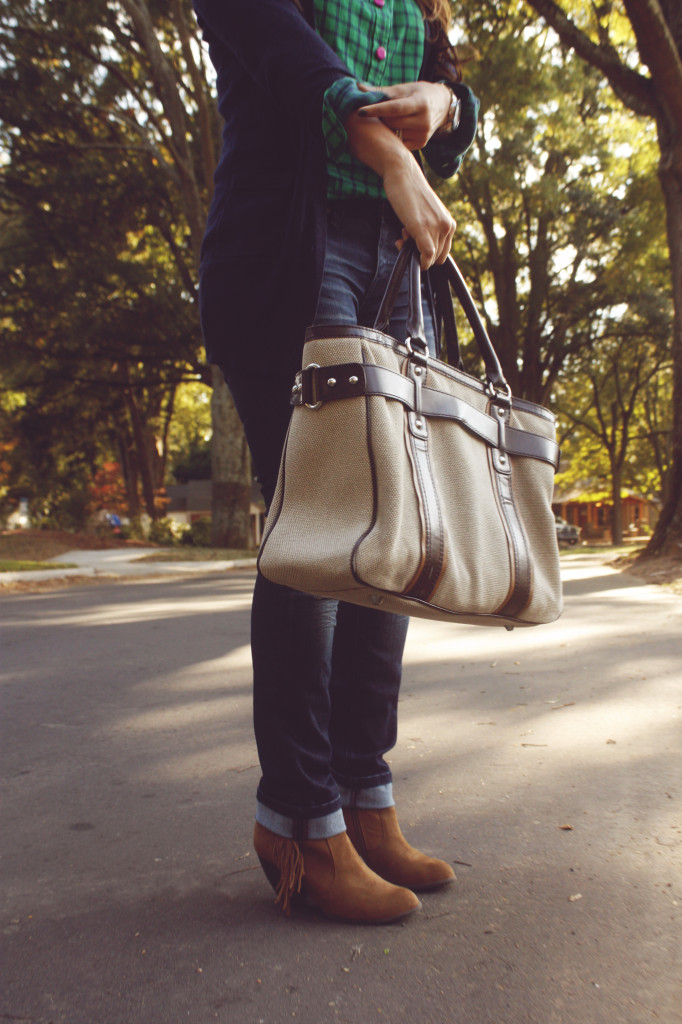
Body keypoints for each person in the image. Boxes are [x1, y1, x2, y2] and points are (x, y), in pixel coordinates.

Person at [192, 0, 479, 924]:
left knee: (382, 544)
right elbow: (288, 59)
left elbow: (459, 101)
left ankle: (364, 800)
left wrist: (444, 103)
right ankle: (301, 825)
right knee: (317, 535)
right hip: (290, 252)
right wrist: (392, 153)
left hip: (392, 264)